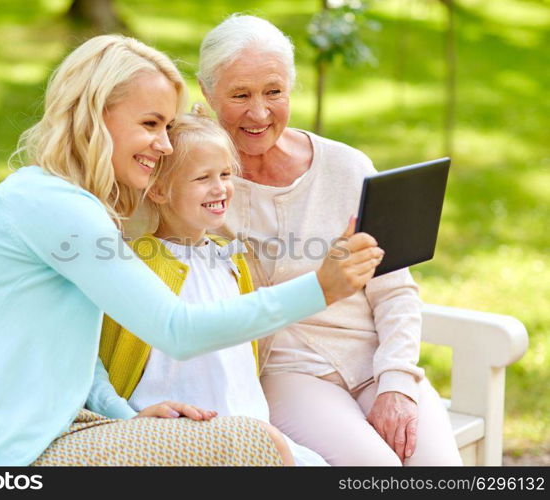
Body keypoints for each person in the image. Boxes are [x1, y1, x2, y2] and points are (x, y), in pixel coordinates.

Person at [0, 34, 383, 466]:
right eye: (150, 124)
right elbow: (177, 330)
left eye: (167, 126)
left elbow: (77, 351)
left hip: (55, 425)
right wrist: (320, 288)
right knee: (257, 445)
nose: (163, 145)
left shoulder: (72, 203)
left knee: (290, 457)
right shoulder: (50, 205)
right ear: (95, 116)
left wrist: (123, 415)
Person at [197, 15, 462, 465]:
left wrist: (396, 382)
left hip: (374, 361)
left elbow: (395, 289)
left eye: (274, 92)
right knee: (375, 470)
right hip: (287, 372)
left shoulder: (347, 166)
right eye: (240, 94)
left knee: (439, 470)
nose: (259, 112)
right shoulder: (200, 184)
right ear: (206, 94)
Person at [88, 107, 327, 466]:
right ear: (159, 191)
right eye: (203, 178)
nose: (220, 188)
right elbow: (106, 349)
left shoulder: (231, 259)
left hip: (251, 427)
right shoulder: (137, 266)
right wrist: (123, 415)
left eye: (226, 174)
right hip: (176, 435)